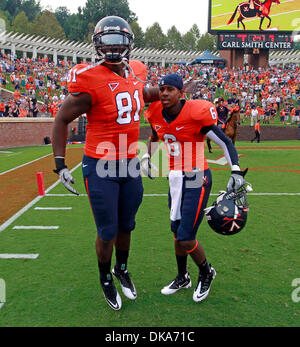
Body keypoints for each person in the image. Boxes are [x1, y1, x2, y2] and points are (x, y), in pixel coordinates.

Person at [51, 16, 160, 311]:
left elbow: (140, 95)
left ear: (129, 44)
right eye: (107, 42)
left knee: (127, 225)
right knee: (108, 230)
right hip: (101, 166)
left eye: (119, 42)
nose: (113, 48)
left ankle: (121, 269)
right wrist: (60, 163)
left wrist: (170, 91)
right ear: (98, 45)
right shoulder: (88, 78)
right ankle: (105, 278)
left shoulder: (137, 70)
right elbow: (61, 118)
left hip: (130, 163)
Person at [142, 74, 248, 303]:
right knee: (176, 233)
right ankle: (183, 277)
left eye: (170, 89)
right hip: (175, 179)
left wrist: (236, 170)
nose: (164, 93)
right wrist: (146, 156)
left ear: (181, 93)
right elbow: (153, 136)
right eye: (162, 89)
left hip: (197, 177)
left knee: (186, 237)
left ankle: (207, 272)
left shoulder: (196, 112)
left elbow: (225, 142)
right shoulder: (154, 113)